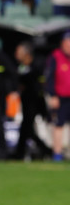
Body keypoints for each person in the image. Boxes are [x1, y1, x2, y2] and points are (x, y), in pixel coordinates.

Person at [13, 42, 51, 160]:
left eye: (18, 52)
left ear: (26, 53)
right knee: (26, 129)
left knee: (27, 128)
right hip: (26, 101)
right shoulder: (20, 66)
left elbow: (37, 82)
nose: (16, 55)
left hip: (36, 101)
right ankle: (43, 150)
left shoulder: (37, 64)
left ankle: (46, 150)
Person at [45, 31, 70, 161]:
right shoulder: (55, 57)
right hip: (61, 98)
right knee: (58, 125)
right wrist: (53, 95)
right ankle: (57, 154)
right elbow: (49, 78)